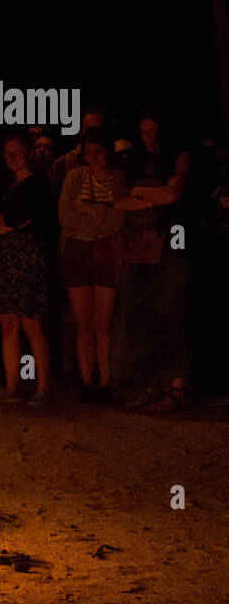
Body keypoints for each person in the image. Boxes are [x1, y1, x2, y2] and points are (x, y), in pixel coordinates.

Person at [113, 109, 193, 411]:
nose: (150, 137)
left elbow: (173, 194)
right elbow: (120, 199)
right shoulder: (133, 160)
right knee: (141, 314)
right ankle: (151, 383)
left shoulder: (180, 155)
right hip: (139, 246)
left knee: (170, 310)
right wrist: (149, 194)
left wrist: (139, 194)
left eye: (155, 130)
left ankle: (177, 385)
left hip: (171, 241)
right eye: (145, 131)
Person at [58, 129, 133, 402]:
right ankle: (87, 381)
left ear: (108, 151)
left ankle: (105, 381)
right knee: (83, 322)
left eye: (98, 152)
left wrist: (89, 210)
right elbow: (66, 216)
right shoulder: (74, 178)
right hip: (77, 250)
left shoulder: (119, 179)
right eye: (88, 153)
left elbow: (117, 220)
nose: (93, 158)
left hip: (106, 251)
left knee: (104, 323)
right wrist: (98, 213)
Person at [0, 133, 55, 404]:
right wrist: (7, 224)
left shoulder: (38, 184)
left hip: (26, 256)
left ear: (27, 153)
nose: (11, 158)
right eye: (7, 153)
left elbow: (24, 219)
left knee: (31, 323)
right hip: (5, 256)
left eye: (17, 152)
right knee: (7, 323)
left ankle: (43, 387)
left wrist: (7, 224)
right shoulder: (7, 185)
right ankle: (12, 385)